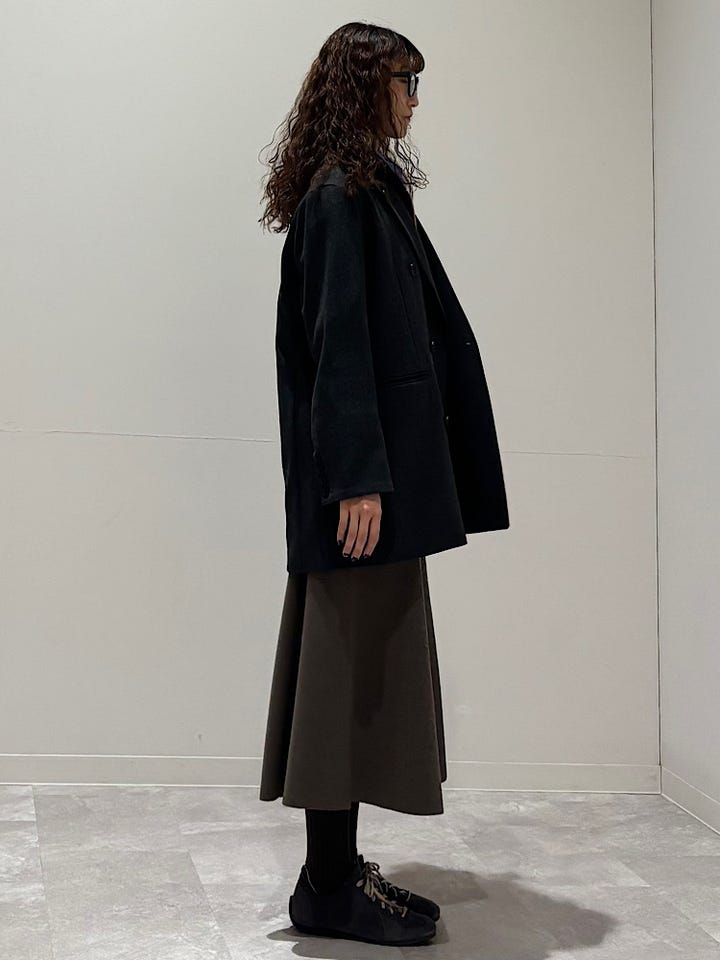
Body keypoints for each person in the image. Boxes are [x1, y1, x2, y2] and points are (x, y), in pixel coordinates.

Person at [256, 21, 509, 948]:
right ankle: (326, 889)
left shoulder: (371, 190)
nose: (414, 100)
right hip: (359, 492)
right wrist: (357, 479)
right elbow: (338, 346)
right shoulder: (337, 198)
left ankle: (336, 873)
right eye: (406, 82)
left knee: (365, 674)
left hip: (382, 483)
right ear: (366, 87)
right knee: (340, 679)